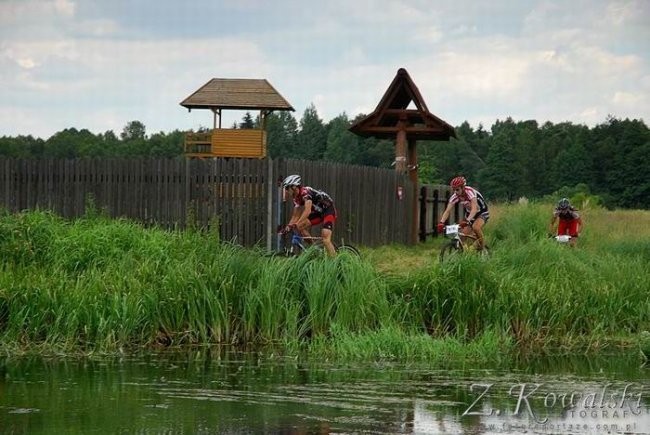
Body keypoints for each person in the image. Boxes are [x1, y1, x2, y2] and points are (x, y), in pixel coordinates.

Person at [281, 174, 337, 256]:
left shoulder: (305, 193)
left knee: (325, 238)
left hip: (328, 210)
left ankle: (335, 262)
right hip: (318, 212)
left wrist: (297, 223)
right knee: (300, 227)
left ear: (294, 187)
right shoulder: (296, 198)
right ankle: (315, 250)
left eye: (287, 188)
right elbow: (295, 216)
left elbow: (307, 211)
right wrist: (289, 226)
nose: (286, 191)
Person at [437, 176, 489, 251]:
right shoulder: (455, 196)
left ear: (463, 187)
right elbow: (447, 210)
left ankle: (482, 247)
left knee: (476, 227)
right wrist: (441, 222)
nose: (455, 192)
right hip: (469, 214)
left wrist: (467, 221)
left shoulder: (470, 192)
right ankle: (466, 252)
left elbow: (474, 209)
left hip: (481, 212)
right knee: (463, 235)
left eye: (457, 189)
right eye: (454, 189)